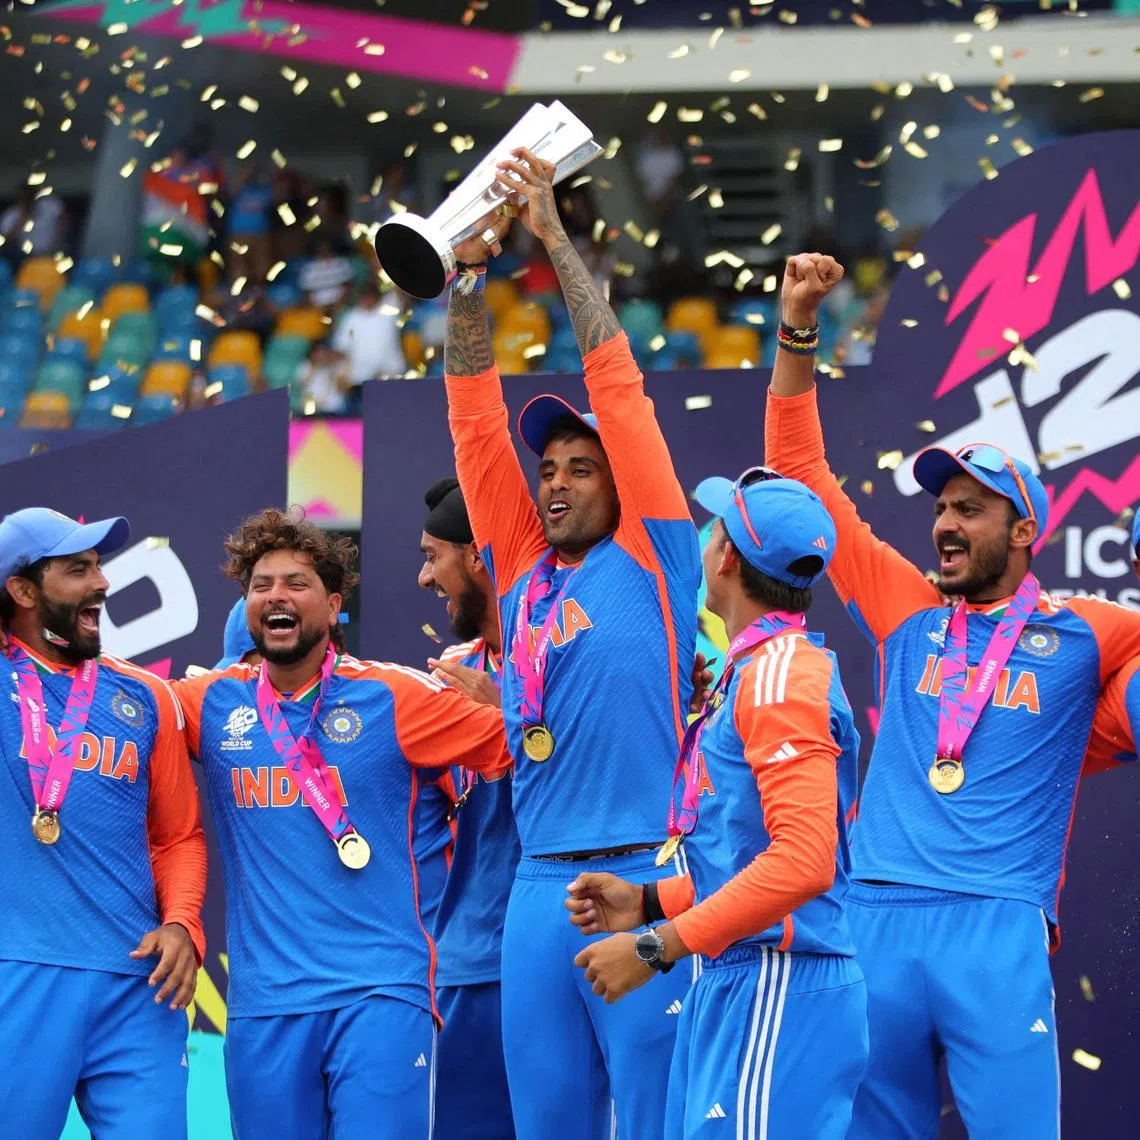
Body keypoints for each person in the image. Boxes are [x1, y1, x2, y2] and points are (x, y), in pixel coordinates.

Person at [765, 252, 1140, 1139]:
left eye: (970, 508)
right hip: (876, 919)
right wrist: (796, 330)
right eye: (941, 506)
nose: (943, 522)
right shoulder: (906, 609)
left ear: (1022, 530)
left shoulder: (1087, 630)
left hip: (996, 929)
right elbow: (800, 481)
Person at [443, 148, 700, 1140]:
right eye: (547, 468)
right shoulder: (521, 568)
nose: (554, 484)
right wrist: (470, 278)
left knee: (654, 1121)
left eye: (580, 469)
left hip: (642, 879)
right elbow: (473, 424)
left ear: (620, 485)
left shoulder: (654, 555)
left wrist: (553, 237)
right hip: (537, 887)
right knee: (544, 1123)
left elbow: (619, 388)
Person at [171, 508, 511, 1140]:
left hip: (381, 990)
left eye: (296, 583)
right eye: (261, 584)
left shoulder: (396, 696)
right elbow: (111, 705)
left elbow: (526, 744)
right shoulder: (208, 705)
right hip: (265, 1004)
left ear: (332, 608)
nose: (276, 595)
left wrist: (650, 698)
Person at [564, 469, 867, 1139]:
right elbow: (751, 859)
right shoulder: (755, 670)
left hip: (779, 984)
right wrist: (650, 902)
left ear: (726, 556)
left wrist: (652, 948)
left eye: (714, 527)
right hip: (741, 978)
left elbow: (804, 865)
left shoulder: (781, 675)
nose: (704, 542)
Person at [0, 508, 207, 1140]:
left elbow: (178, 837)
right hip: (18, 973)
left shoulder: (146, 695)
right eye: (78, 569)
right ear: (23, 589)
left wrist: (183, 924)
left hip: (141, 983)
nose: (103, 583)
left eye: (99, 566)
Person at [417, 476, 519, 1140]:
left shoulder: (576, 656)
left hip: (580, 948)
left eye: (434, 556)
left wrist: (505, 711)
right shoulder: (446, 672)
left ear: (477, 558)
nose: (426, 577)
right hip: (470, 961)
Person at [331, 280, 406, 410]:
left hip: (389, 375)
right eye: (365, 296)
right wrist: (341, 374)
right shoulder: (352, 318)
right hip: (359, 381)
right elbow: (342, 349)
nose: (368, 299)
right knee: (360, 421)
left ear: (377, 296)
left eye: (371, 295)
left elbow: (400, 290)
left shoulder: (388, 311)